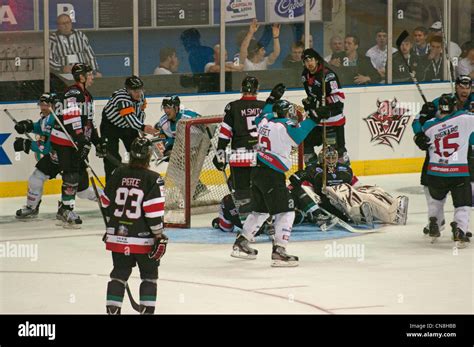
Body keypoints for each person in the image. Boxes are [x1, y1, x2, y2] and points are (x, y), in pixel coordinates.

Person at [230, 99, 327, 267]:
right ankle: (279, 252)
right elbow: (297, 135)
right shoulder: (284, 125)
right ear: (285, 113)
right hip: (271, 175)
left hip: (257, 171)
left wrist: (271, 100)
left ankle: (241, 243)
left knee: (260, 211)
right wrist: (314, 119)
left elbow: (261, 115)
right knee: (287, 211)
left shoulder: (265, 121)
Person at [101, 137, 168, 315]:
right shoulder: (153, 179)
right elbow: (153, 213)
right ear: (148, 157)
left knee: (119, 274)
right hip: (143, 240)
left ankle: (113, 311)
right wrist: (158, 235)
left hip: (117, 236)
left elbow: (105, 202)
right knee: (149, 276)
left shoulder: (118, 173)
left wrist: (111, 227)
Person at [212, 77, 285, 232]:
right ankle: (268, 221)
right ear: (257, 89)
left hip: (240, 157)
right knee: (261, 189)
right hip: (261, 157)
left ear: (241, 88)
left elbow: (225, 133)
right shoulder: (264, 106)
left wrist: (220, 153)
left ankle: (249, 227)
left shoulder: (233, 107)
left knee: (241, 192)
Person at [412, 76, 474, 236]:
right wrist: (419, 135)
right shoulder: (441, 101)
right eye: (462, 87)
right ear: (456, 87)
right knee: (429, 183)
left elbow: (424, 123)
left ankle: (460, 225)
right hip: (440, 153)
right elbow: (418, 120)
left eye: (468, 87)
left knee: (466, 187)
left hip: (464, 152)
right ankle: (437, 221)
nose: (465, 91)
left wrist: (424, 126)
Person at [290, 146, 408, 226]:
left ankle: (393, 212)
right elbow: (300, 186)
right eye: (327, 157)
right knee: (343, 189)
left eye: (333, 157)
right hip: (329, 199)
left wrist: (367, 192)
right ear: (321, 158)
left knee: (372, 191)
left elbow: (357, 185)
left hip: (349, 194)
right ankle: (357, 213)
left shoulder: (345, 169)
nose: (330, 160)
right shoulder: (314, 170)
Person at [50, 63, 106, 228]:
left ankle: (64, 208)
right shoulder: (73, 92)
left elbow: (90, 121)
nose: (92, 77)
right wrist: (81, 139)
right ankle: (66, 209)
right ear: (81, 77)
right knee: (71, 174)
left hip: (76, 140)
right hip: (64, 141)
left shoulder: (87, 95)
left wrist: (97, 141)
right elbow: (71, 117)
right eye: (89, 74)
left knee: (80, 181)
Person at [101, 76, 156, 183]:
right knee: (112, 159)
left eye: (140, 90)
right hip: (110, 127)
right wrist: (143, 127)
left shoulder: (141, 96)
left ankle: (139, 181)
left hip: (128, 127)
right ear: (128, 90)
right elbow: (130, 119)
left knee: (138, 153)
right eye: (135, 91)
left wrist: (141, 129)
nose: (139, 93)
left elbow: (140, 113)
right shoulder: (121, 98)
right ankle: (111, 186)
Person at [13, 93, 61, 218]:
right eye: (42, 104)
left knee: (83, 190)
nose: (43, 107)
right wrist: (28, 126)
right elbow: (40, 127)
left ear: (54, 105)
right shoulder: (47, 118)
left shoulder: (55, 120)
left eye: (47, 104)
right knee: (35, 179)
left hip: (67, 158)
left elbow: (45, 148)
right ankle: (31, 207)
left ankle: (110, 201)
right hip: (54, 157)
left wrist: (26, 144)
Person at [301, 48, 347, 163]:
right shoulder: (305, 75)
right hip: (317, 119)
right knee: (306, 146)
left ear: (316, 60)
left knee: (337, 153)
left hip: (333, 119)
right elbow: (311, 95)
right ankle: (312, 173)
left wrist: (325, 109)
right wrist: (310, 103)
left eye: (311, 60)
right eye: (306, 61)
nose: (309, 63)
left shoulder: (328, 75)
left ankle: (345, 175)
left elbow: (339, 98)